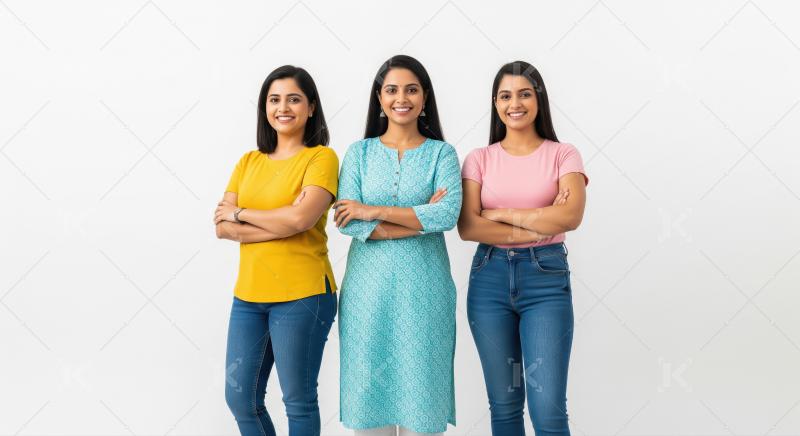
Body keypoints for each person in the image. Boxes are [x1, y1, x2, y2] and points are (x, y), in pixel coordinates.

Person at [458, 61, 589, 436]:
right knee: (505, 407)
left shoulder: (564, 154)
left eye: (524, 93)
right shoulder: (479, 159)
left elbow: (571, 217)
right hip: (489, 281)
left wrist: (499, 214)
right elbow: (469, 226)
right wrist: (541, 218)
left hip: (545, 282)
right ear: (496, 104)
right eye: (505, 95)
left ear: (538, 98)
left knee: (548, 411)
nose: (514, 103)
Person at [334, 55, 462, 436]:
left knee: (422, 409)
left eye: (411, 89)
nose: (401, 98)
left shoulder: (442, 153)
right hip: (366, 297)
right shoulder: (358, 153)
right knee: (368, 407)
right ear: (379, 97)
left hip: (425, 295)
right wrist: (419, 216)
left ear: (424, 99)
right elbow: (347, 223)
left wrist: (373, 210)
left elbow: (448, 215)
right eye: (391, 89)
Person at [215, 65, 339, 436]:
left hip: (303, 295)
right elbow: (222, 227)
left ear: (311, 107)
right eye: (274, 99)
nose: (283, 107)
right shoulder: (248, 161)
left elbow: (302, 219)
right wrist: (279, 220)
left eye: (294, 99)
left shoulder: (321, 158)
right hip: (249, 296)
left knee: (298, 400)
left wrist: (243, 215)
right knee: (240, 399)